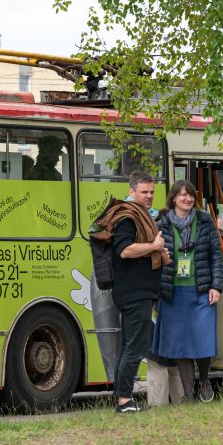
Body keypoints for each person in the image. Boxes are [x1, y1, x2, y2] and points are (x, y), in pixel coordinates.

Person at [94, 171, 171, 413]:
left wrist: (160, 255)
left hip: (138, 290)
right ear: (132, 191)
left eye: (151, 192)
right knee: (136, 346)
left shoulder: (139, 215)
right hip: (134, 291)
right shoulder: (128, 216)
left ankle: (122, 397)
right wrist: (154, 246)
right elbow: (125, 250)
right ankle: (124, 401)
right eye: (144, 192)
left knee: (129, 345)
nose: (149, 196)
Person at [153, 180, 223, 403]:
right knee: (181, 345)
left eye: (191, 195)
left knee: (202, 339)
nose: (187, 198)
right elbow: (154, 259)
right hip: (173, 294)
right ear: (173, 198)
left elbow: (216, 255)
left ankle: (204, 380)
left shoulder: (205, 221)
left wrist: (216, 286)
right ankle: (188, 394)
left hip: (201, 290)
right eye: (182, 195)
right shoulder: (162, 225)